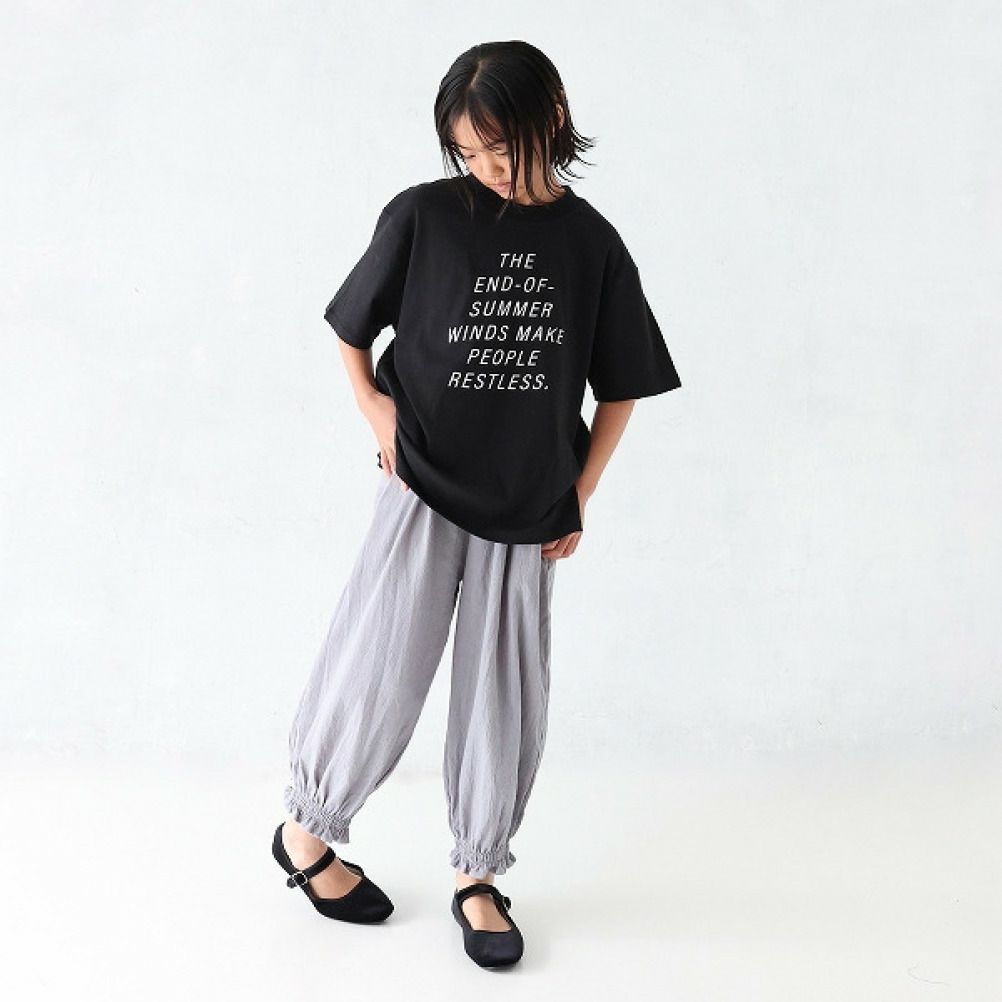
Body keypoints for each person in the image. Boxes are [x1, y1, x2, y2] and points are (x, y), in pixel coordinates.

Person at [271, 39, 682, 969]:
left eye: (500, 146)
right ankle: (307, 829)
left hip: (529, 501)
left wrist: (580, 492)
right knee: (379, 661)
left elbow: (621, 385)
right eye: (470, 152)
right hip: (422, 481)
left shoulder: (592, 243)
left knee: (505, 688)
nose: (488, 167)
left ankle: (478, 872)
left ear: (553, 117)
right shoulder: (426, 215)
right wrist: (375, 409)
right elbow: (351, 326)